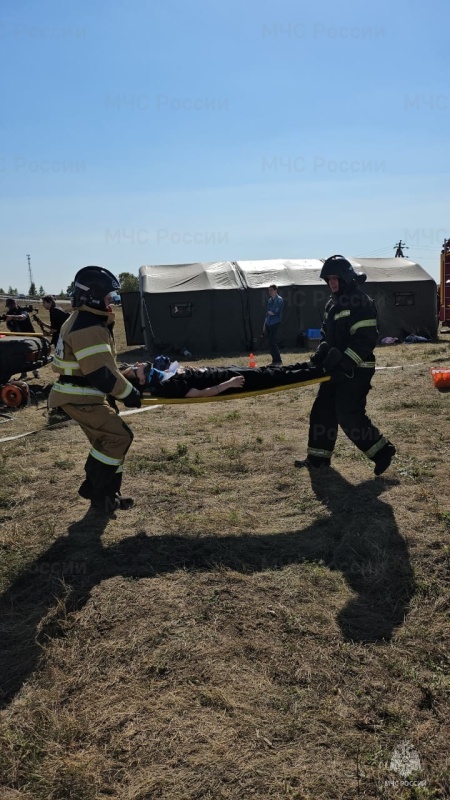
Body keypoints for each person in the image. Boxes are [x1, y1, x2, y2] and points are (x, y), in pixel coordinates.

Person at [48, 266, 142, 513]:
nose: (111, 302)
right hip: (81, 397)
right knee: (120, 437)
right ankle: (95, 490)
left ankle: (107, 495)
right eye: (108, 297)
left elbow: (101, 364)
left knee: (106, 442)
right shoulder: (88, 326)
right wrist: (129, 394)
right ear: (92, 296)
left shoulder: (85, 320)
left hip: (81, 394)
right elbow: (101, 374)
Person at [294, 254, 396, 476]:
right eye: (328, 279)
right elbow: (326, 335)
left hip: (357, 369)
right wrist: (322, 352)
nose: (331, 282)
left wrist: (345, 364)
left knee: (347, 413)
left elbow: (365, 339)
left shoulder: (361, 302)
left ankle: (382, 452)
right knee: (322, 411)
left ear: (346, 277)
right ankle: (318, 460)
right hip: (335, 369)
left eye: (335, 278)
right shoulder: (332, 304)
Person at [120, 358, 326, 399]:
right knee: (275, 377)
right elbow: (199, 394)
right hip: (230, 381)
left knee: (269, 370)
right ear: (142, 381)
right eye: (137, 369)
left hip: (223, 370)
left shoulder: (163, 374)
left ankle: (310, 364)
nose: (139, 365)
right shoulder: (167, 386)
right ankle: (321, 370)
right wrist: (228, 385)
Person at [2, 298, 40, 379]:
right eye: (8, 306)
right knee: (21, 355)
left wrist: (12, 317)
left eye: (10, 305)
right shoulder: (9, 313)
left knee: (32, 354)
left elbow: (22, 317)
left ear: (15, 304)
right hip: (18, 337)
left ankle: (35, 372)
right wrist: (9, 322)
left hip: (28, 335)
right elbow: (9, 326)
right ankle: (23, 373)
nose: (10, 307)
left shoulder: (22, 310)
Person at [263, 284, 284, 366]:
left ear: (275, 290)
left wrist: (270, 312)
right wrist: (264, 324)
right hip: (268, 323)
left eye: (271, 290)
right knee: (270, 342)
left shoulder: (279, 300)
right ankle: (274, 361)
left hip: (275, 323)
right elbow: (268, 313)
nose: (269, 292)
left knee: (273, 342)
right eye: (269, 290)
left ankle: (278, 361)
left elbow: (274, 312)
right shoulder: (270, 300)